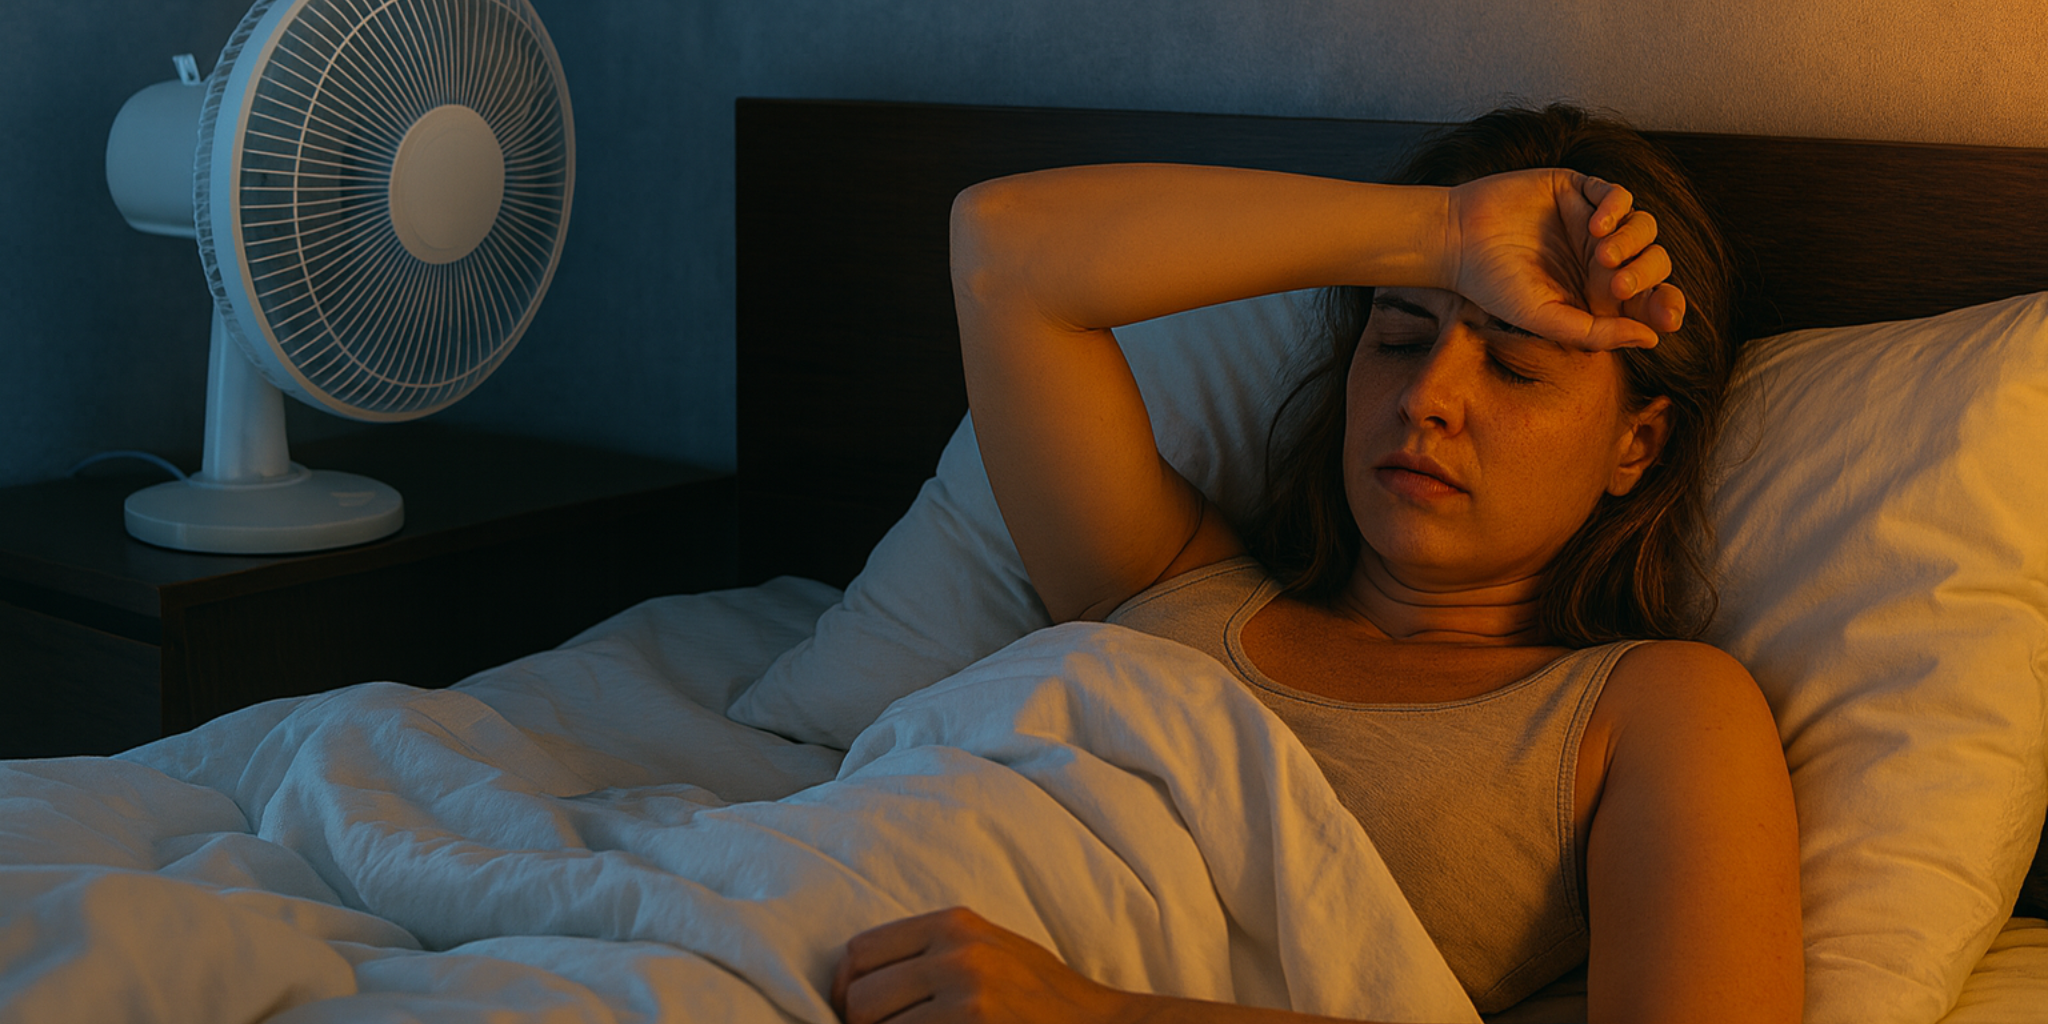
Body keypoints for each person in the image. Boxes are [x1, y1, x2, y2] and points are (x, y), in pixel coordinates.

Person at [831, 104, 1801, 1024]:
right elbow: (1003, 248)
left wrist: (1092, 1012)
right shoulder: (1166, 577)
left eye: (1512, 364)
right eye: (1397, 335)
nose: (1426, 394)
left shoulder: (1649, 711)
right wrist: (1442, 232)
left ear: (1634, 443)